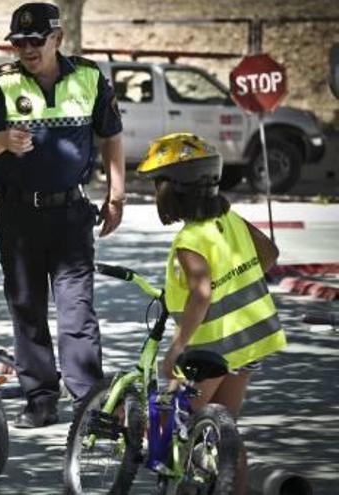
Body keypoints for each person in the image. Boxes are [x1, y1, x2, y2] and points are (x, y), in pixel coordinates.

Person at [0, 2, 125, 428]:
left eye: (35, 40)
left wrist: (117, 196)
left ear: (57, 38)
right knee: (27, 309)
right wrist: (3, 139)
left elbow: (111, 137)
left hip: (70, 212)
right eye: (18, 42)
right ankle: (40, 400)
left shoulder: (90, 77)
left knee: (77, 312)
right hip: (18, 214)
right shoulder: (3, 82)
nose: (26, 49)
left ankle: (90, 403)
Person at [139, 133, 287, 495]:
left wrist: (176, 348)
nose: (155, 191)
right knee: (225, 429)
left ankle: (174, 478)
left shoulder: (191, 240)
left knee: (171, 415)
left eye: (158, 183)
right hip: (249, 342)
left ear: (174, 188)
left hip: (213, 347)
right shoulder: (229, 219)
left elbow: (201, 294)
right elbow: (269, 252)